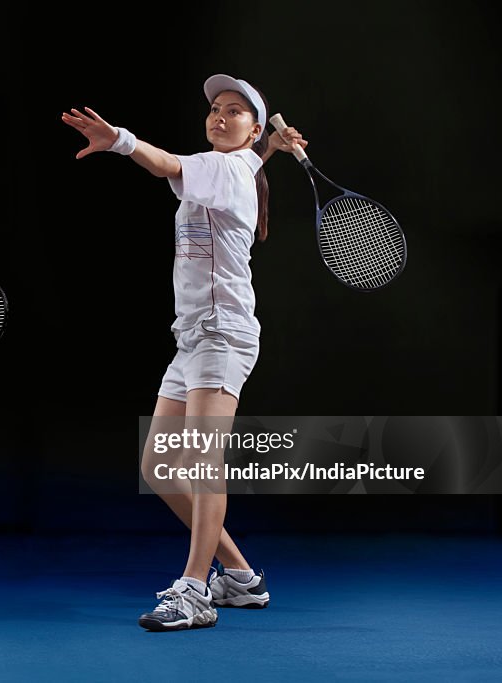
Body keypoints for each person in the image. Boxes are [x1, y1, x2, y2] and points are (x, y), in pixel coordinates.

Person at [62, 75, 305, 630]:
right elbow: (244, 165)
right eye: (215, 109)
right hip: (193, 337)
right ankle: (241, 578)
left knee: (200, 462)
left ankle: (195, 591)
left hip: (222, 334)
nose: (219, 117)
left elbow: (168, 164)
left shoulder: (223, 167)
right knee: (158, 465)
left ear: (249, 129)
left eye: (235, 112)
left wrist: (119, 139)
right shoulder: (240, 166)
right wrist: (271, 147)